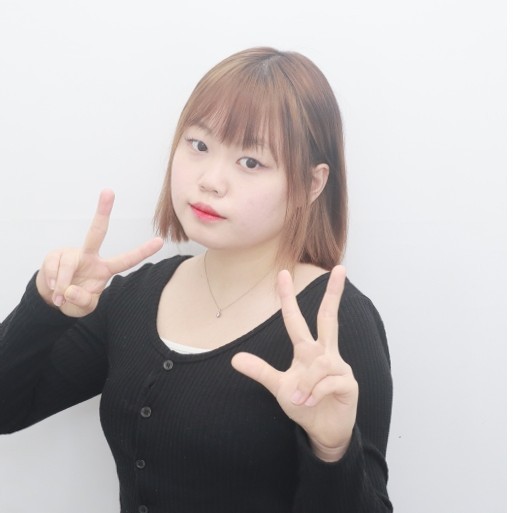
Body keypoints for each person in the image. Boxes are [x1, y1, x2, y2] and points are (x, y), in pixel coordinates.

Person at [0, 47, 393, 512]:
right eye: (199, 145)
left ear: (312, 184)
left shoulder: (336, 322)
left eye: (251, 162)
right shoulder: (135, 296)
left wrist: (332, 449)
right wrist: (46, 306)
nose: (210, 180)